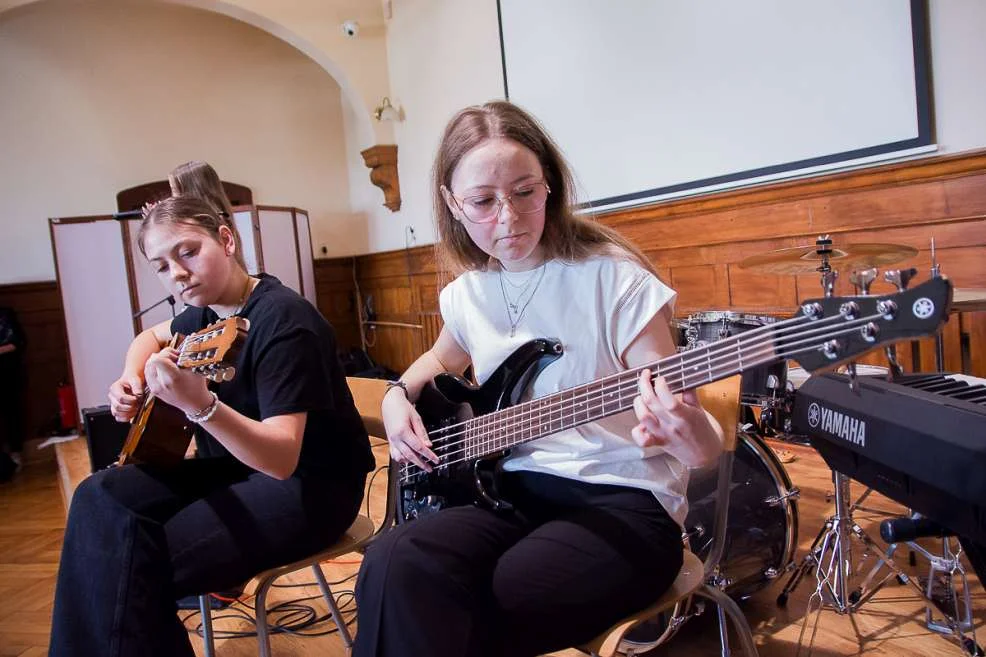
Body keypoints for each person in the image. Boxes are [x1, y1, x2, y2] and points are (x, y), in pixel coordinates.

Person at [352, 101, 724, 657]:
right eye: (482, 201)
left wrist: (689, 432)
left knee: (482, 603)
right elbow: (436, 361)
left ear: (549, 184)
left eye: (525, 192)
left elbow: (698, 445)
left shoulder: (614, 280)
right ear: (453, 204)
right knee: (391, 562)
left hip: (622, 504)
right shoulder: (468, 294)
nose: (508, 217)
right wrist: (395, 396)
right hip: (508, 494)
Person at [49, 195, 375, 657]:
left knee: (133, 561)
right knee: (99, 496)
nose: (177, 273)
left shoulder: (286, 320)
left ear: (226, 239)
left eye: (187, 252)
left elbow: (282, 460)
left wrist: (200, 406)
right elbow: (150, 336)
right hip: (237, 469)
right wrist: (131, 375)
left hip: (311, 489)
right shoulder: (205, 312)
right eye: (161, 266)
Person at [0, 305, 26, 481]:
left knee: (12, 413)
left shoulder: (5, 314)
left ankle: (16, 454)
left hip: (7, 374)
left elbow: (18, 342)